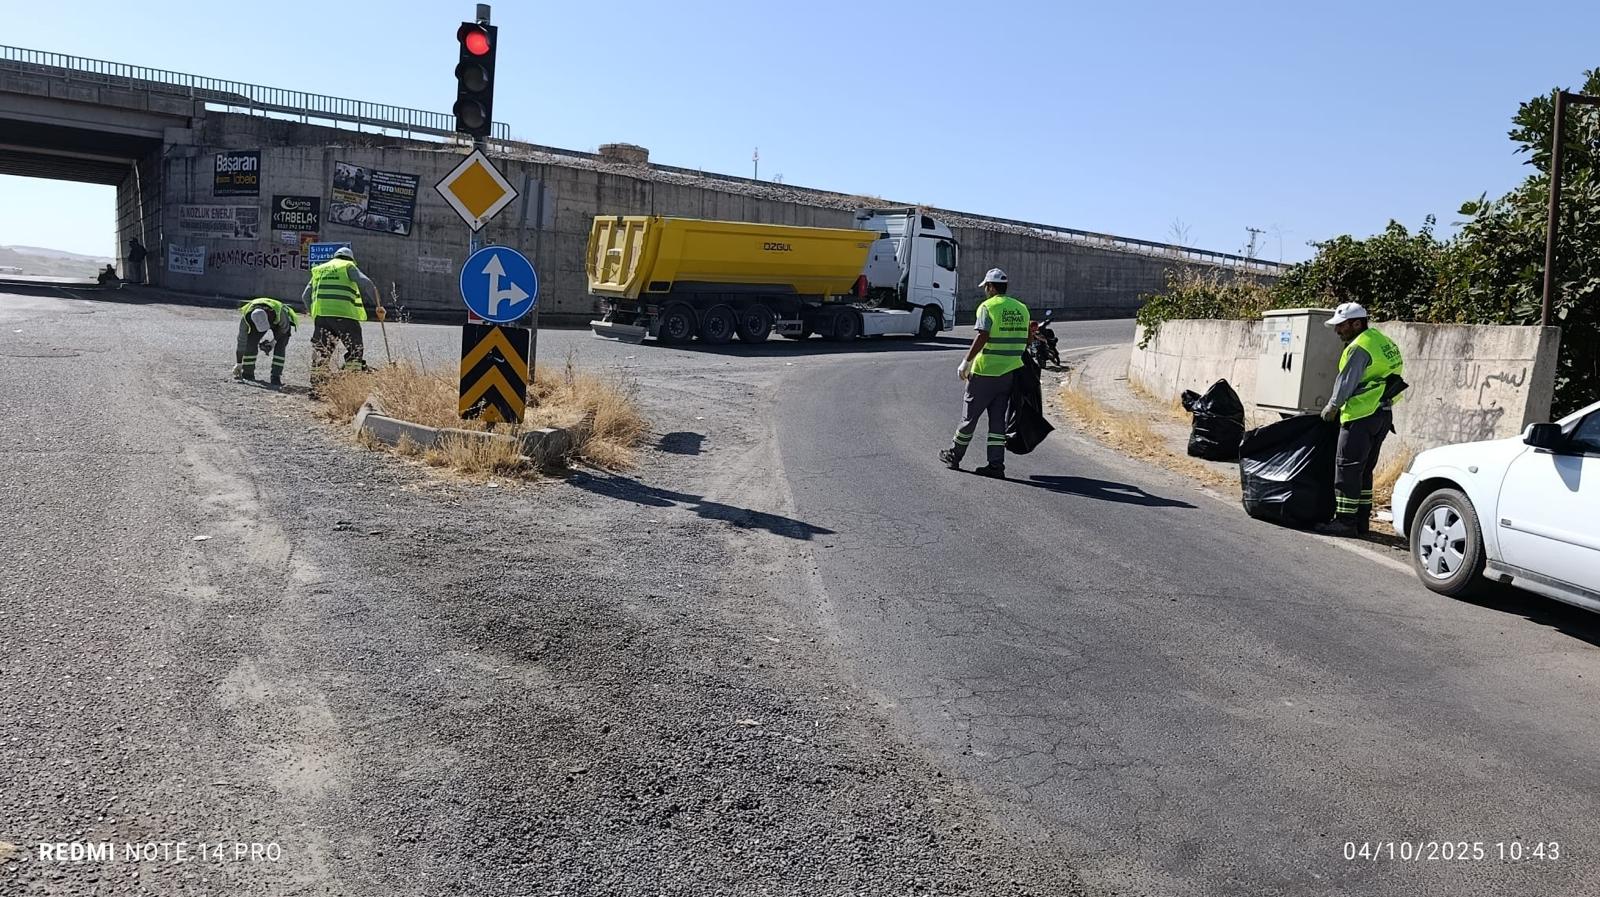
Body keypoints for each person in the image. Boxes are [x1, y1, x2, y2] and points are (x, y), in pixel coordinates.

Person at [1317, 301, 1405, 536]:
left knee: (1347, 469)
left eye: (1341, 325)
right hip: (1382, 414)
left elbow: (1346, 382)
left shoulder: (1359, 347)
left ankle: (1345, 521)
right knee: (1364, 470)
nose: (1337, 330)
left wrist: (1332, 407)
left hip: (1361, 414)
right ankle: (1361, 521)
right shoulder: (1381, 340)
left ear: (1357, 323)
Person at [939, 267, 1031, 479]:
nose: (985, 290)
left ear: (990, 287)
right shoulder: (1022, 308)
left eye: (986, 287)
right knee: (997, 421)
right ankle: (996, 465)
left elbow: (982, 336)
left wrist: (966, 362)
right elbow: (1027, 339)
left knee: (969, 417)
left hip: (985, 372)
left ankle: (954, 455)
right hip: (1009, 374)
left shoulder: (987, 307)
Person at [301, 246, 383, 378]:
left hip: (321, 317)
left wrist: (314, 313)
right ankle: (351, 379)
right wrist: (378, 306)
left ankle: (317, 383)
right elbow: (367, 283)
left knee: (322, 351)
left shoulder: (319, 269)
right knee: (355, 348)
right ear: (351, 259)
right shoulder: (347, 266)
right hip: (344, 316)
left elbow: (305, 296)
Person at [233, 296, 299, 387]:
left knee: (281, 345)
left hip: (280, 324)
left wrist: (273, 342)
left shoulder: (280, 313)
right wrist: (239, 363)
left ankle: (275, 376)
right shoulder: (246, 319)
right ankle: (248, 373)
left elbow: (284, 329)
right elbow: (241, 341)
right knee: (250, 342)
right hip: (258, 321)